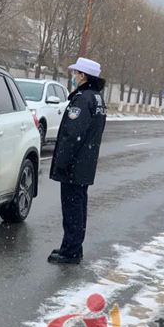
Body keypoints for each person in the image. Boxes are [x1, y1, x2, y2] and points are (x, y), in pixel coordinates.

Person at [48, 57, 107, 264]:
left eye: (76, 73)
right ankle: (73, 247)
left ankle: (70, 251)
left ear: (83, 75)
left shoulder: (83, 99)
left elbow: (72, 135)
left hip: (74, 164)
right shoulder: (97, 98)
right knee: (79, 207)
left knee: (72, 209)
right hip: (85, 162)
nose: (74, 76)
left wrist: (62, 162)